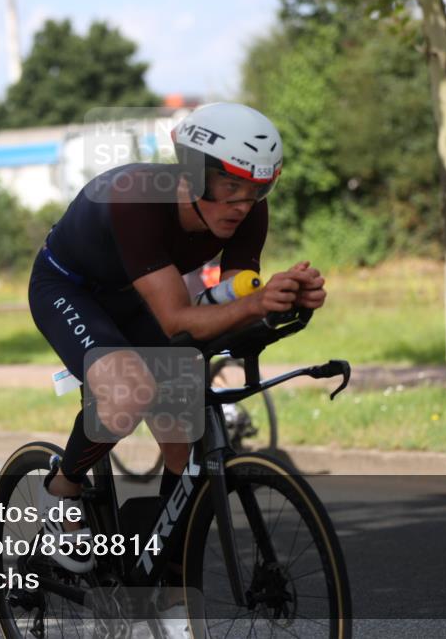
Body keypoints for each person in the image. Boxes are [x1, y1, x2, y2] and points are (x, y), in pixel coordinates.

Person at [27, 102, 327, 576]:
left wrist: (283, 301)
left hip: (136, 293)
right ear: (190, 172)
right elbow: (175, 319)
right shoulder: (137, 200)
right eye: (231, 186)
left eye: (257, 190)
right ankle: (60, 488)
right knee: (129, 393)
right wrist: (254, 304)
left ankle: (162, 552)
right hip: (69, 289)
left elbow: (230, 301)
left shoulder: (248, 212)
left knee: (182, 414)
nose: (242, 205)